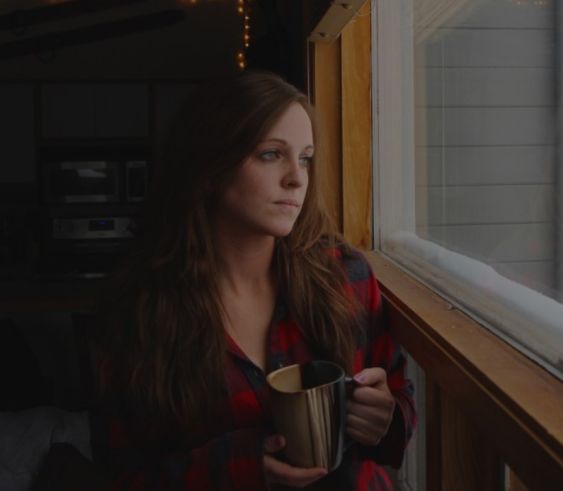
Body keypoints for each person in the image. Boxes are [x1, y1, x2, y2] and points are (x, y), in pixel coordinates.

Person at [90, 71, 417, 490]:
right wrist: (236, 470)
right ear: (209, 168)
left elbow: (398, 397)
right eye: (270, 154)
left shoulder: (345, 278)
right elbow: (122, 473)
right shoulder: (136, 313)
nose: (297, 178)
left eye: (305, 157)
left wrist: (386, 417)